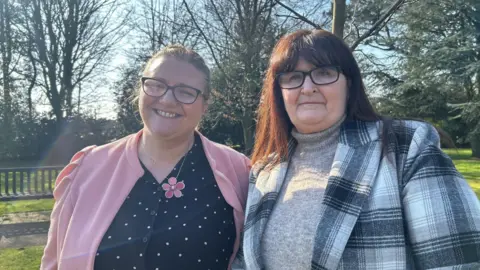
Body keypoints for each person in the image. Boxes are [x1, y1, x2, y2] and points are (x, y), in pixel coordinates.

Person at [235, 29, 480, 270]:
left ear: (349, 84)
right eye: (292, 77)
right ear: (279, 92)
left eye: (323, 73)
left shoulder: (404, 146)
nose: (307, 87)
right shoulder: (264, 171)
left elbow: (458, 260)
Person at [41, 45, 251, 270]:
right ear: (140, 90)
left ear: (205, 105)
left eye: (186, 92)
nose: (168, 100)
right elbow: (53, 262)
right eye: (156, 85)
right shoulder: (87, 169)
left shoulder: (239, 173)